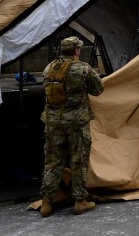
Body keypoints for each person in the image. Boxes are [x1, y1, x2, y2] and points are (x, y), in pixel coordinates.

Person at [39, 36, 104, 217]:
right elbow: (98, 90)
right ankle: (80, 202)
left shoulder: (48, 68)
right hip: (76, 123)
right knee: (78, 161)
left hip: (52, 123)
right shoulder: (83, 68)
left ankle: (46, 202)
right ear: (77, 51)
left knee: (52, 162)